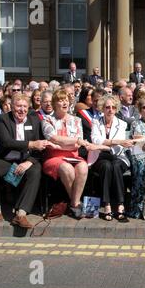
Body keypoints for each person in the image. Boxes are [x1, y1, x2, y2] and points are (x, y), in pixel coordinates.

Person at [0, 94, 51, 228]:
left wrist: (29, 162)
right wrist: (31, 144)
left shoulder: (34, 120)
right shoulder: (2, 119)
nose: (21, 110)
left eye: (24, 106)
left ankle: (21, 214)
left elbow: (41, 146)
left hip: (26, 159)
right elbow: (7, 142)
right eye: (18, 106)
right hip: (7, 160)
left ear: (28, 108)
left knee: (35, 170)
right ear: (11, 107)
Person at [41, 90, 100, 218]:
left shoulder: (76, 120)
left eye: (66, 100)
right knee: (66, 168)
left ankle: (73, 203)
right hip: (54, 157)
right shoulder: (47, 120)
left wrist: (64, 144)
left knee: (83, 167)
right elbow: (53, 138)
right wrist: (74, 141)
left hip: (73, 156)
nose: (64, 102)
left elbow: (76, 145)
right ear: (55, 104)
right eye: (61, 100)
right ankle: (76, 204)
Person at [91, 95, 134, 222]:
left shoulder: (122, 123)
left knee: (115, 165)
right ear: (102, 109)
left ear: (116, 109)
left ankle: (120, 204)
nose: (110, 110)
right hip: (101, 156)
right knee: (106, 166)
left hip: (119, 155)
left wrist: (106, 144)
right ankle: (107, 204)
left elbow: (117, 146)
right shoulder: (96, 122)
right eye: (107, 107)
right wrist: (116, 142)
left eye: (113, 107)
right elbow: (96, 139)